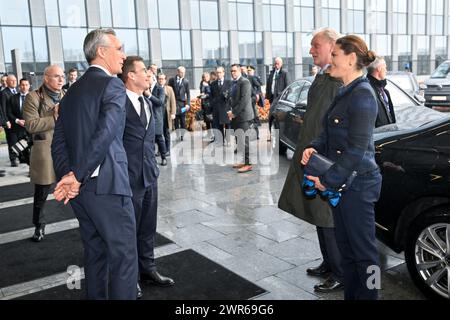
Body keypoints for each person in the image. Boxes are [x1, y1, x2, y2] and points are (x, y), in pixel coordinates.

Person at [51, 28, 138, 300]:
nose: (123, 55)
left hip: (82, 194)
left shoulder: (71, 93)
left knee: (96, 254)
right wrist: (76, 176)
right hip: (107, 189)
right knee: (124, 258)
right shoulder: (112, 85)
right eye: (119, 48)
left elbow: (59, 143)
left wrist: (69, 176)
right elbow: (106, 134)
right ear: (102, 51)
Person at [301, 35, 381, 300]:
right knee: (347, 252)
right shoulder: (345, 91)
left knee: (366, 255)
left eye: (335, 55)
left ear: (350, 59)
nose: (330, 60)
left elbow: (357, 150)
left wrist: (329, 180)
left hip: (359, 185)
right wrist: (314, 146)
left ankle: (371, 296)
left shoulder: (363, 95)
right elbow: (330, 132)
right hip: (345, 184)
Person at [278, 28, 344, 293]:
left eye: (315, 45)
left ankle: (340, 271)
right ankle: (329, 263)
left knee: (327, 215)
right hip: (311, 155)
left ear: (331, 46)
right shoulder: (322, 76)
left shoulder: (339, 80)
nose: (311, 50)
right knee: (318, 214)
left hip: (324, 160)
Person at [120, 56, 175, 299]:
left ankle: (148, 269)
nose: (149, 74)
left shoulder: (148, 101)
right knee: (128, 231)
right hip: (128, 179)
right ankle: (130, 278)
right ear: (130, 75)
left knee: (148, 227)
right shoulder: (118, 103)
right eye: (143, 70)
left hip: (149, 175)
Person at [23, 66, 65, 242]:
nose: (61, 80)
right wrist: (54, 117)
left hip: (65, 149)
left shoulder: (66, 95)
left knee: (77, 188)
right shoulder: (33, 97)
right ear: (46, 79)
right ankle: (39, 226)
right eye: (56, 76)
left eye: (62, 76)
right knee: (41, 193)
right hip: (45, 150)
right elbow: (30, 125)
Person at [228, 64, 254, 173]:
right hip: (236, 116)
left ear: (239, 71)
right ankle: (243, 161)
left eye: (234, 71)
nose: (232, 73)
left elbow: (244, 100)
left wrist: (233, 113)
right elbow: (233, 99)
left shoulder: (245, 82)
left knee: (244, 141)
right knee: (239, 140)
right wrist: (231, 111)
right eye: (231, 71)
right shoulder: (234, 83)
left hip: (244, 116)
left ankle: (248, 164)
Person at [266, 57, 291, 141]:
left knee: (276, 116)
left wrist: (284, 96)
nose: (276, 65)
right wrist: (267, 96)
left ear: (281, 64)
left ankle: (278, 135)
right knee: (271, 116)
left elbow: (288, 87)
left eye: (278, 63)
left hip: (280, 98)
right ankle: (272, 133)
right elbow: (268, 85)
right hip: (272, 98)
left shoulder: (284, 73)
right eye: (275, 63)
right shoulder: (272, 73)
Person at [7, 78, 31, 165]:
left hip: (30, 127)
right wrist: (17, 120)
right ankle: (16, 159)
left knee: (30, 148)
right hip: (17, 127)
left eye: (26, 85)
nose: (24, 87)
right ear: (19, 86)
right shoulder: (12, 98)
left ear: (29, 86)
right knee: (17, 146)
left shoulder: (34, 97)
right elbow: (9, 112)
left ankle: (31, 167)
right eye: (22, 85)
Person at [367, 57, 396, 128]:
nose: (386, 70)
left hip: (388, 134)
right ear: (379, 68)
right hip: (379, 136)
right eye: (385, 68)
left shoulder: (384, 91)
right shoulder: (368, 91)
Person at [168, 66, 190, 141]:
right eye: (181, 72)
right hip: (174, 103)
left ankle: (182, 135)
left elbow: (188, 93)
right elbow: (169, 91)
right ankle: (177, 135)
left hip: (182, 104)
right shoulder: (171, 80)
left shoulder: (186, 81)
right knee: (176, 121)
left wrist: (188, 104)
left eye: (184, 72)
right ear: (177, 72)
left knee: (183, 121)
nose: (183, 74)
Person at [1, 74, 19, 166]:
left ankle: (19, 156)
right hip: (9, 122)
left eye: (15, 80)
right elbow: (2, 108)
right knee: (11, 140)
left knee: (19, 140)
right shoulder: (4, 93)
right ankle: (13, 159)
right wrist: (5, 121)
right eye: (12, 81)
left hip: (17, 120)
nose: (14, 82)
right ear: (7, 82)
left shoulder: (18, 91)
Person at [158, 73, 176, 156]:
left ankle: (167, 149)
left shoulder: (169, 89)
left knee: (167, 133)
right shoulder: (156, 88)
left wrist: (173, 113)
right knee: (159, 133)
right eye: (159, 79)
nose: (161, 80)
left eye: (162, 79)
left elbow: (173, 101)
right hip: (158, 114)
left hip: (166, 113)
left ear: (165, 80)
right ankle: (160, 149)